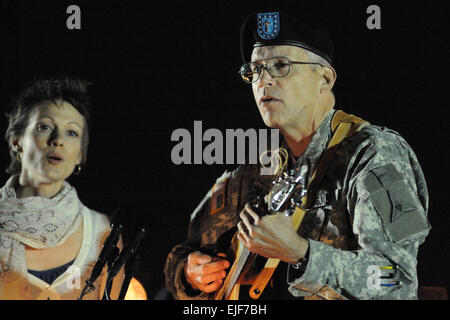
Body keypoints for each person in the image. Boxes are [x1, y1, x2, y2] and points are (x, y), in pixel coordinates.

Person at [164, 11, 431, 300]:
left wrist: (302, 253)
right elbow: (182, 254)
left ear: (325, 79)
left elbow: (398, 281)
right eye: (255, 70)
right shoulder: (256, 172)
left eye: (281, 66)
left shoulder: (371, 155)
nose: (263, 81)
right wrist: (190, 273)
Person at [0, 76, 123, 299]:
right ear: (16, 141)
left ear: (80, 155)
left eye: (72, 132)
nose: (58, 140)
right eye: (44, 126)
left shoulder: (104, 232)